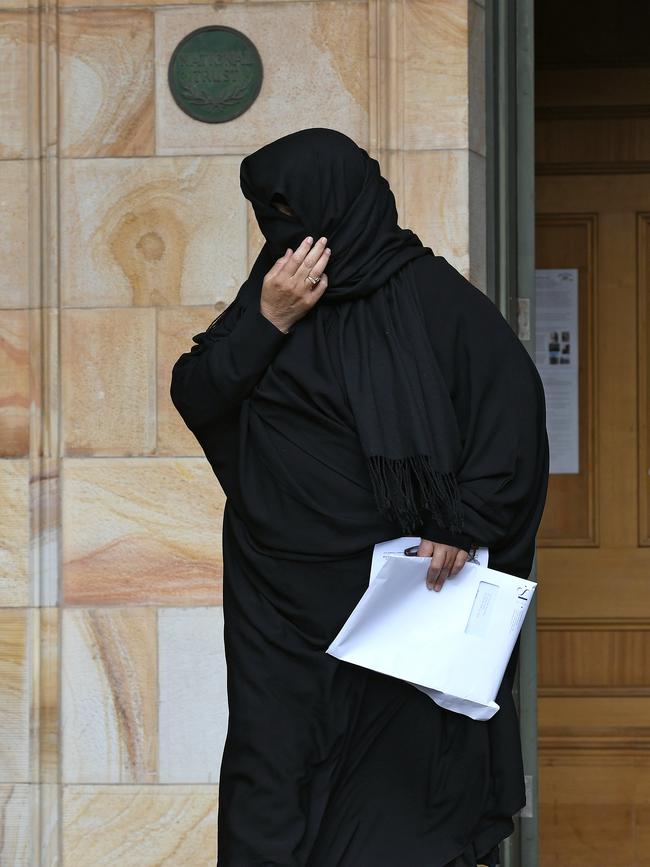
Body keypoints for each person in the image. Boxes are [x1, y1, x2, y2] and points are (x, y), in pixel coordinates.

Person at [170, 127, 549, 867]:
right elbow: (199, 392)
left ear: (344, 200)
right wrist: (270, 319)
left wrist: (462, 521)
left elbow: (510, 417)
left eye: (294, 207)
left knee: (394, 804)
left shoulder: (435, 300)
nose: (285, 231)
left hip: (400, 607)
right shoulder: (271, 296)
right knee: (271, 785)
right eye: (269, 213)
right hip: (279, 609)